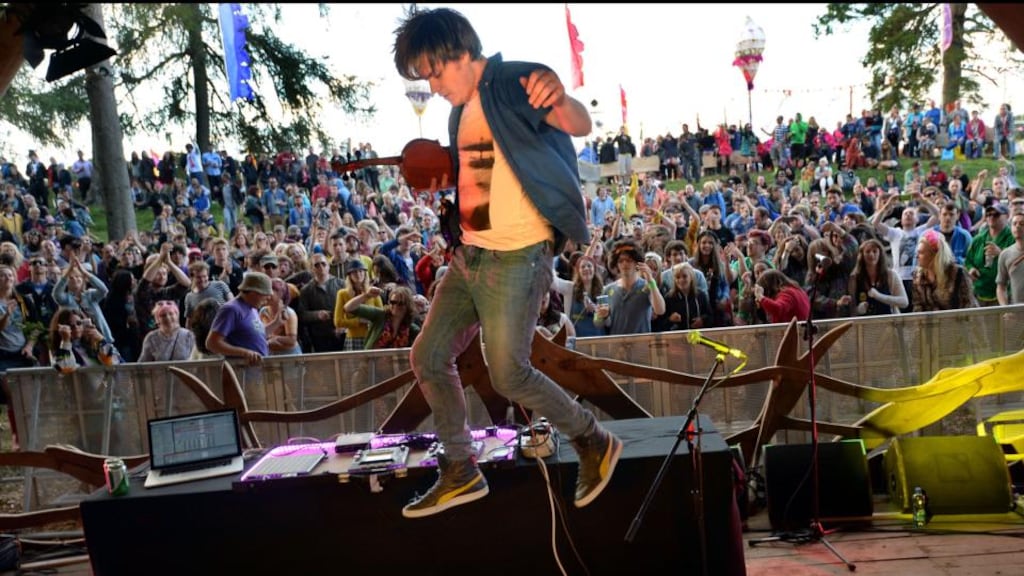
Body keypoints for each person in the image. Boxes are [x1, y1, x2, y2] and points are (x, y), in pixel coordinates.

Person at [393, 7, 621, 519]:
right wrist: (448, 195)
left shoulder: (517, 79)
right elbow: (484, 174)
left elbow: (577, 123)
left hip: (519, 256)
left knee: (509, 374)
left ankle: (593, 440)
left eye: (432, 70)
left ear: (457, 51)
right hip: (470, 255)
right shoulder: (458, 113)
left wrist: (559, 95)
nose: (430, 84)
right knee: (428, 357)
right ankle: (460, 468)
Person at [205, 272, 272, 365]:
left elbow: (255, 334)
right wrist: (245, 353)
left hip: (256, 370)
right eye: (265, 294)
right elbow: (212, 343)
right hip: (241, 370)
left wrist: (278, 321)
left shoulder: (253, 308)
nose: (268, 298)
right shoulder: (231, 309)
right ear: (253, 292)